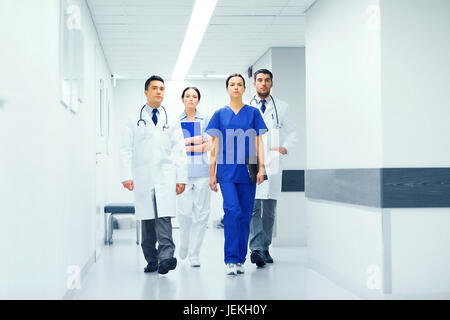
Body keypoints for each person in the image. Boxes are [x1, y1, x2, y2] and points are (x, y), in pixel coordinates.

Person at [120, 75, 188, 275]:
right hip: (143, 175)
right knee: (148, 220)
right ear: (146, 92)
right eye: (155, 88)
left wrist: (181, 178)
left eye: (162, 89)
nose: (159, 92)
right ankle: (151, 259)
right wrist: (126, 176)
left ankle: (166, 257)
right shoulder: (134, 119)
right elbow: (125, 149)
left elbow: (180, 150)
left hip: (166, 175)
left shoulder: (171, 119)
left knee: (164, 217)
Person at [206, 73, 268, 275]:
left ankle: (240, 259)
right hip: (226, 170)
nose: (235, 87)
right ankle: (230, 259)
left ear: (244, 88)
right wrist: (212, 174)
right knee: (232, 211)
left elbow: (259, 142)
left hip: (248, 169)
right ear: (227, 88)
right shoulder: (219, 114)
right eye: (232, 84)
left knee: (244, 215)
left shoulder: (253, 113)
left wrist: (262, 167)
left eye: (239, 84)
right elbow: (214, 146)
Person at [246, 69, 297, 267]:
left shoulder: (282, 107)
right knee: (254, 208)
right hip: (252, 159)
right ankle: (256, 249)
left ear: (271, 83)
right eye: (259, 80)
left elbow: (292, 132)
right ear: (255, 84)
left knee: (269, 210)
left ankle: (264, 247)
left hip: (273, 161)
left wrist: (285, 148)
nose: (263, 83)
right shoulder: (247, 106)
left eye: (267, 80)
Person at [176, 87, 212, 267]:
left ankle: (194, 254)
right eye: (188, 96)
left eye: (194, 96)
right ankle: (184, 243)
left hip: (202, 173)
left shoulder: (205, 120)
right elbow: (174, 146)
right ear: (182, 99)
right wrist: (192, 141)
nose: (191, 99)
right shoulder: (176, 121)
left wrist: (186, 147)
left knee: (201, 215)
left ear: (198, 100)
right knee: (184, 214)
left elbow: (208, 146)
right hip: (182, 173)